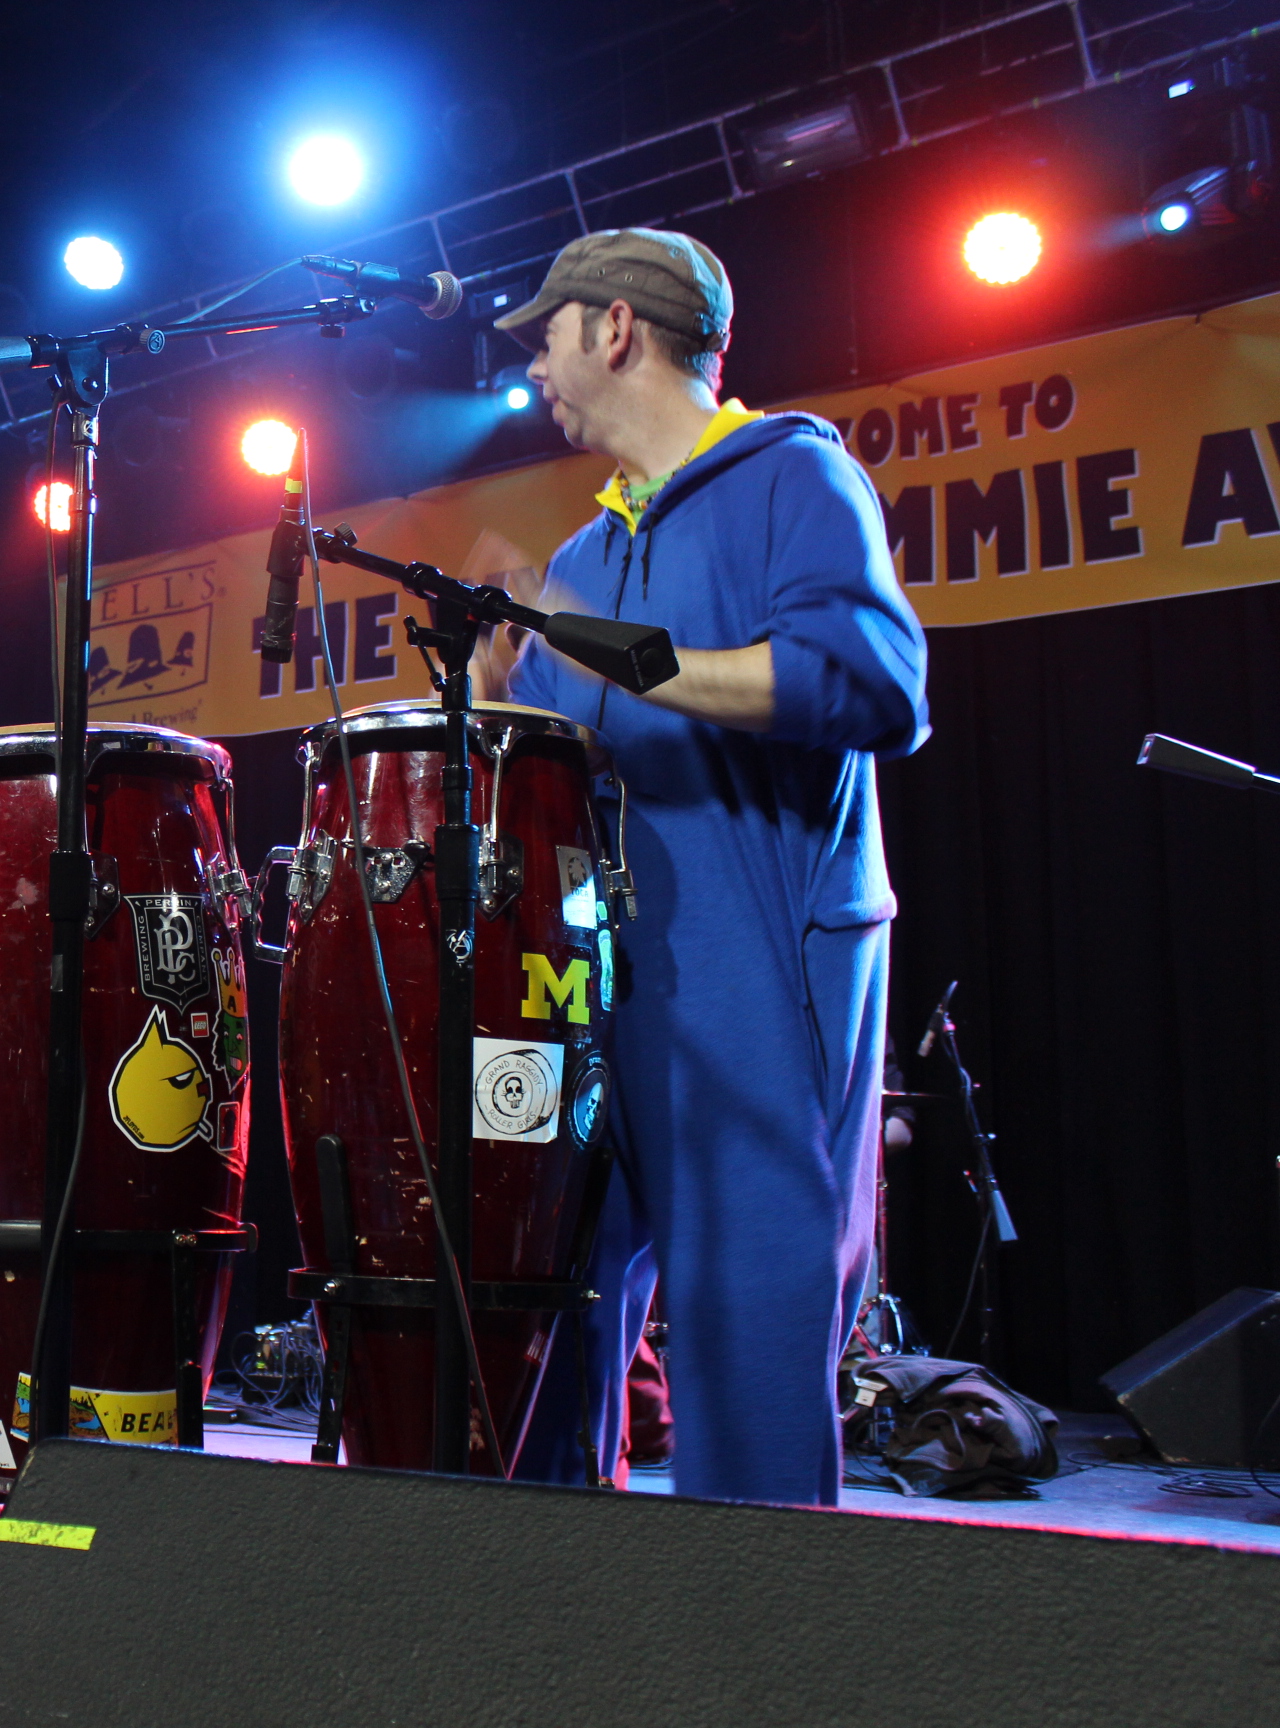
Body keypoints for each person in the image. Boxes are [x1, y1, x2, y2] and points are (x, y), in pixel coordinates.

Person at [491, 229, 928, 1506]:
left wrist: (633, 660)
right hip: (598, 994)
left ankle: (764, 1622)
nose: (536, 371)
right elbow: (558, 772)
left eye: (549, 337)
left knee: (748, 1351)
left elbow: (876, 685)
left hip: (755, 985)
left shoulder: (796, 476)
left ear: (616, 328)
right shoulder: (580, 562)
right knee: (546, 1322)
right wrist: (494, 694)